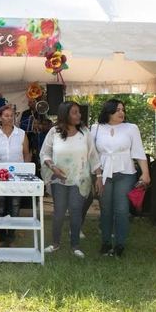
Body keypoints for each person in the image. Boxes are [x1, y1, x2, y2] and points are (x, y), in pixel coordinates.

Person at [40, 102, 103, 258]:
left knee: (75, 211)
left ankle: (75, 246)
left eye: (79, 112)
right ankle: (55, 244)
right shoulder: (53, 132)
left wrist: (99, 176)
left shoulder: (85, 133)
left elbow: (93, 156)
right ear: (65, 114)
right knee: (59, 212)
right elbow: (44, 153)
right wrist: (53, 167)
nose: (79, 115)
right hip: (58, 179)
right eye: (75, 112)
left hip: (79, 179)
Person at [91, 99, 151, 257]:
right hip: (103, 173)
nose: (121, 112)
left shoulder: (131, 128)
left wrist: (145, 173)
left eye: (123, 110)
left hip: (125, 173)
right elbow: (93, 155)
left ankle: (120, 245)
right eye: (117, 110)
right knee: (105, 210)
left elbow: (138, 151)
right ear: (108, 111)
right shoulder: (96, 128)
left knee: (122, 210)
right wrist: (97, 175)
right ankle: (105, 243)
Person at [0, 105, 31, 247]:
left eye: (12, 115)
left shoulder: (22, 134)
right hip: (0, 179)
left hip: (17, 178)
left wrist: (25, 170)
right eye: (6, 115)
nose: (9, 118)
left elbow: (26, 154)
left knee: (15, 207)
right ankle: (0, 236)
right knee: (1, 207)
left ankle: (11, 238)